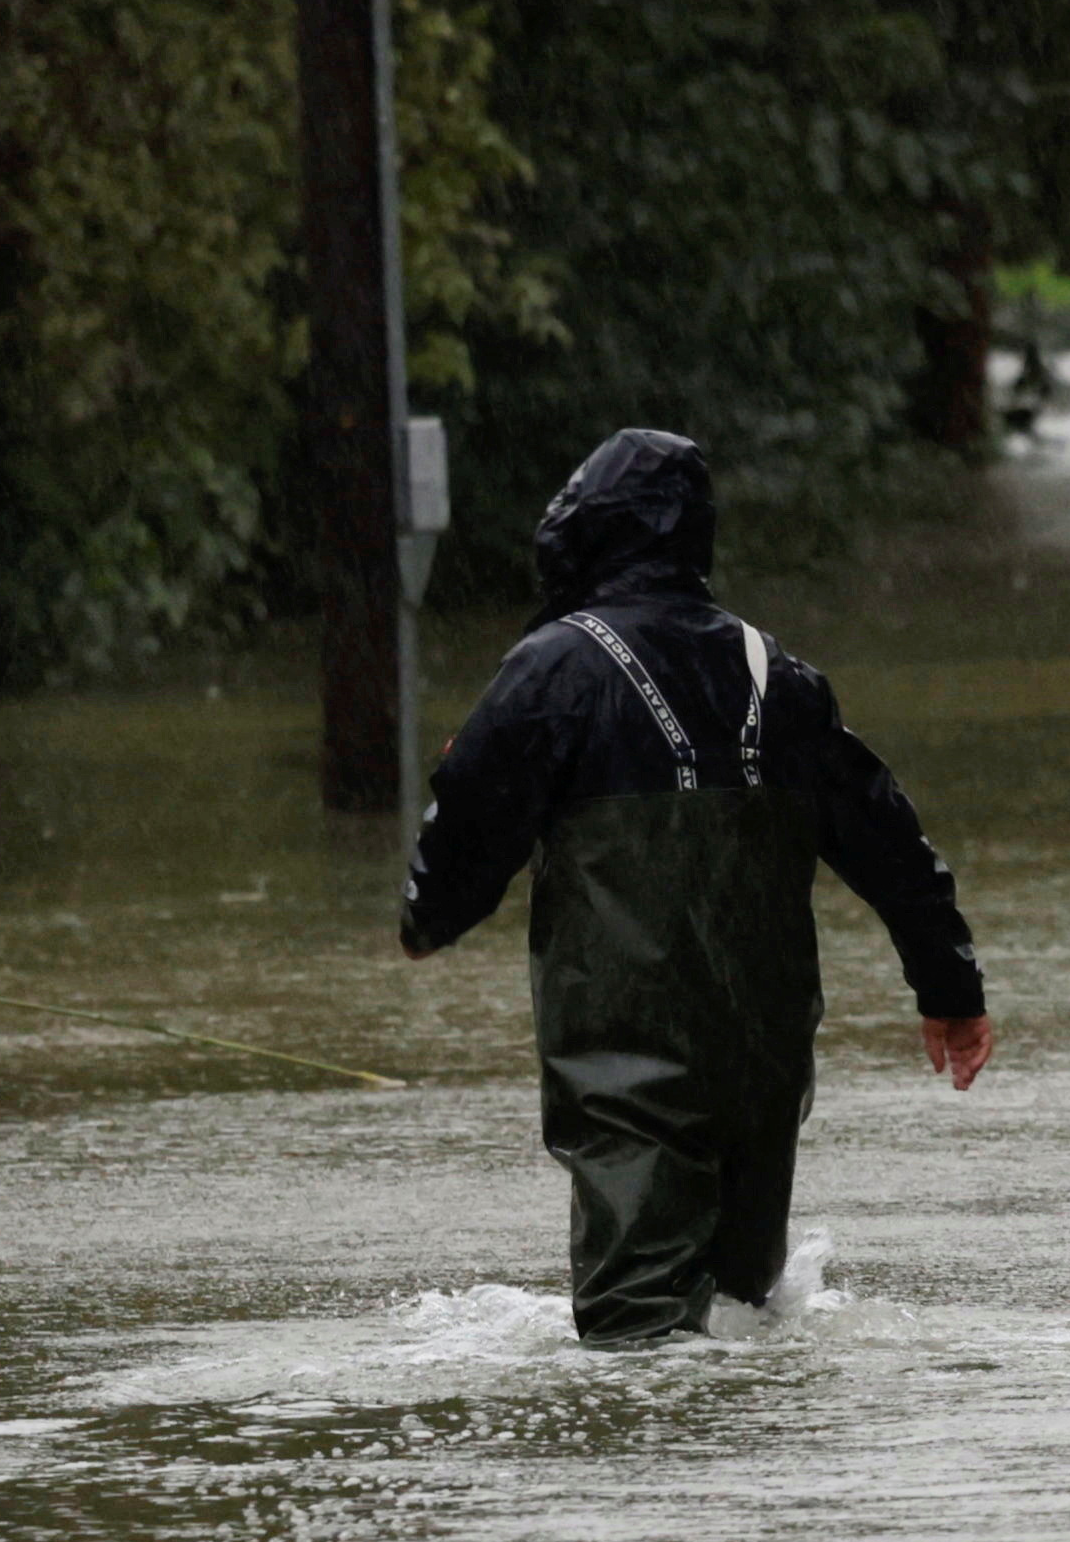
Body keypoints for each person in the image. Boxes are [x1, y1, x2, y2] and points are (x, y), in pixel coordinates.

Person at [401, 428, 993, 1343]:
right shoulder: (778, 674)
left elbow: (471, 817)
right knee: (744, 1316)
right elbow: (887, 836)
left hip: (628, 1063)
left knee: (636, 1337)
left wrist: (426, 917)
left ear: (580, 535)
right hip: (766, 1063)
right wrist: (950, 987)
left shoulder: (554, 671)